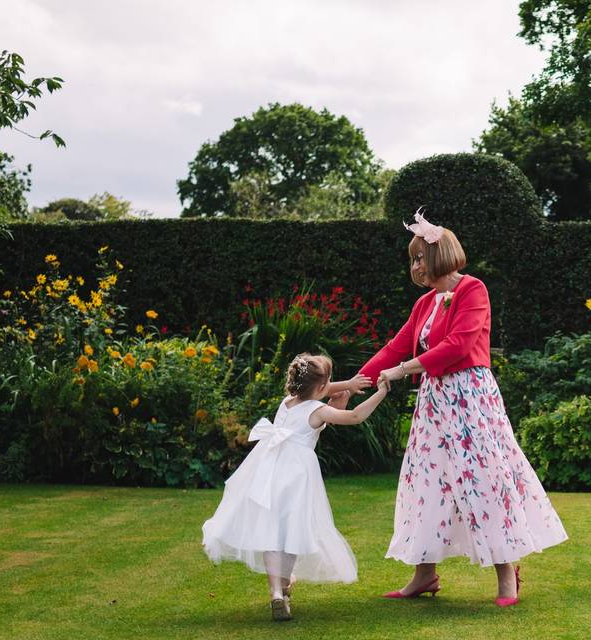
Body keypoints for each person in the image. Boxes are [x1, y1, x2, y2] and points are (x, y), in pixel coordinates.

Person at [360, 210, 568, 607]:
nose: (415, 265)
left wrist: (403, 370)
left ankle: (507, 574)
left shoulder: (473, 289)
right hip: (434, 403)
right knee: (426, 483)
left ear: (440, 254)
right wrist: (357, 382)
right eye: (413, 259)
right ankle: (424, 575)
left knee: (485, 480)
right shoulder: (424, 304)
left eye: (419, 256)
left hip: (470, 399)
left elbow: (457, 344)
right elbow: (396, 346)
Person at [202, 354, 385, 621]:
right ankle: (284, 587)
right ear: (321, 388)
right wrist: (380, 392)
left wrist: (345, 384)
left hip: (269, 471)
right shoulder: (318, 410)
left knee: (271, 532)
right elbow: (355, 416)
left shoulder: (286, 403)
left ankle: (278, 591)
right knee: (289, 533)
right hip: (296, 475)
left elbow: (319, 392)